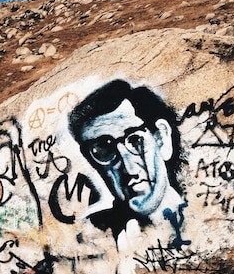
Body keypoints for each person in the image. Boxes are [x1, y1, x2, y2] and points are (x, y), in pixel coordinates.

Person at [68, 79, 186, 247]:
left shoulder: (209, 217)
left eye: (136, 141)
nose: (130, 169)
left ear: (162, 139)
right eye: (103, 150)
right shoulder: (92, 239)